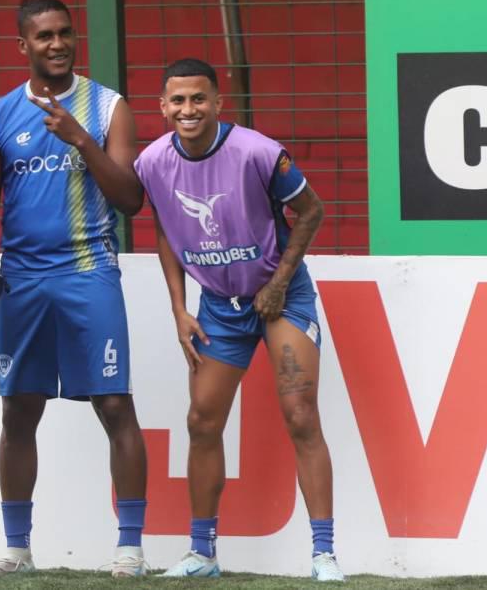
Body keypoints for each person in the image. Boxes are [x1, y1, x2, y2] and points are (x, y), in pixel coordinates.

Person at [133, 58, 345, 582]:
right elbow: (165, 229)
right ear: (162, 107)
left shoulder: (258, 151)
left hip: (281, 297)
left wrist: (278, 283)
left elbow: (312, 211)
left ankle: (324, 556)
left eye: (198, 99)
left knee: (300, 415)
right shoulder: (152, 162)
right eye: (178, 100)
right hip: (217, 307)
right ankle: (202, 553)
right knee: (202, 422)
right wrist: (179, 309)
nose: (188, 109)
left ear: (217, 102)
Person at [0, 0, 150, 577]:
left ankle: (130, 548)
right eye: (44, 35)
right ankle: (17, 549)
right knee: (19, 410)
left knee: (114, 403)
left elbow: (130, 199)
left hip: (89, 272)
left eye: (65, 33)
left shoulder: (108, 107)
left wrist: (81, 139)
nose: (57, 44)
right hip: (22, 281)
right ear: (23, 45)